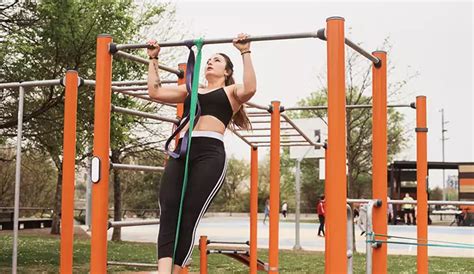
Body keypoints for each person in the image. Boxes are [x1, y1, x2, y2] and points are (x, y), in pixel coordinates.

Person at [147, 33, 256, 273]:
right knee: (169, 209)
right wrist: (153, 59)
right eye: (209, 59)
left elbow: (250, 88)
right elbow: (155, 92)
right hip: (182, 151)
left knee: (188, 215)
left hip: (210, 154)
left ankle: (175, 271)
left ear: (227, 72)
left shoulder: (231, 92)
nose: (210, 62)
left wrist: (245, 51)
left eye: (217, 60)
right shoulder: (190, 91)